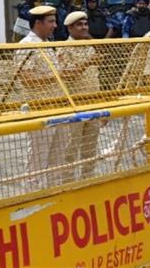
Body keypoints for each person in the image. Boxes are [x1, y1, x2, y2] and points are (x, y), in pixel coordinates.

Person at [18, 6, 63, 186]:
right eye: (51, 21)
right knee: (38, 158)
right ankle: (32, 193)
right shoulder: (27, 46)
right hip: (40, 108)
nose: (55, 25)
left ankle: (55, 191)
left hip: (57, 106)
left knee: (57, 157)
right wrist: (57, 76)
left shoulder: (46, 44)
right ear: (38, 23)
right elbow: (26, 79)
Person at [57, 11, 101, 180]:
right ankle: (68, 181)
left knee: (90, 148)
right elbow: (66, 74)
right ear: (70, 28)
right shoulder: (64, 49)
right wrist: (88, 63)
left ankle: (88, 180)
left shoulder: (90, 47)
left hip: (93, 104)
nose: (84, 28)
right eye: (79, 25)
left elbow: (95, 78)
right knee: (70, 148)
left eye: (85, 24)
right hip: (74, 106)